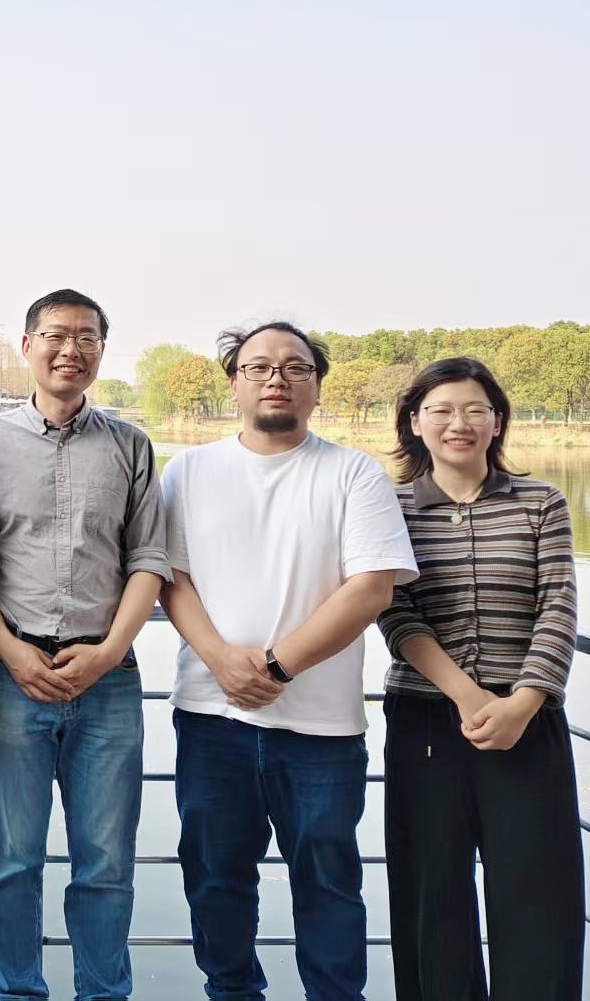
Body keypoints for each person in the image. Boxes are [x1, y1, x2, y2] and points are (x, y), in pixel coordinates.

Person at [160, 321, 417, 1001]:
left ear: (316, 386)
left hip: (321, 729)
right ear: (234, 384)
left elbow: (371, 588)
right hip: (210, 718)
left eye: (296, 367)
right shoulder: (187, 471)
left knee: (328, 882)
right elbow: (171, 578)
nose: (277, 377)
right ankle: (231, 991)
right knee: (214, 878)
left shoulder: (354, 473)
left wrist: (275, 668)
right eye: (259, 366)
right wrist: (220, 660)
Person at [0, 290, 167, 1001]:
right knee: (11, 861)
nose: (70, 349)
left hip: (108, 677)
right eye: (55, 335)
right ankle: (16, 990)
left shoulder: (131, 445)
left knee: (105, 864)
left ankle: (102, 992)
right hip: (11, 674)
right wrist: (7, 647)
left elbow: (148, 560)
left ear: (102, 350)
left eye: (87, 337)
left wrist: (108, 652)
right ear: (27, 346)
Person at [379, 357, 584, 1001]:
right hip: (425, 720)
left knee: (539, 896)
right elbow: (393, 609)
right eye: (440, 410)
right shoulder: (388, 507)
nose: (458, 423)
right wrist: (468, 695)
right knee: (431, 894)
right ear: (415, 423)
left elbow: (558, 604)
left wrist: (523, 702)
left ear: (497, 422)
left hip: (528, 719)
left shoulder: (540, 502)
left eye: (475, 410)